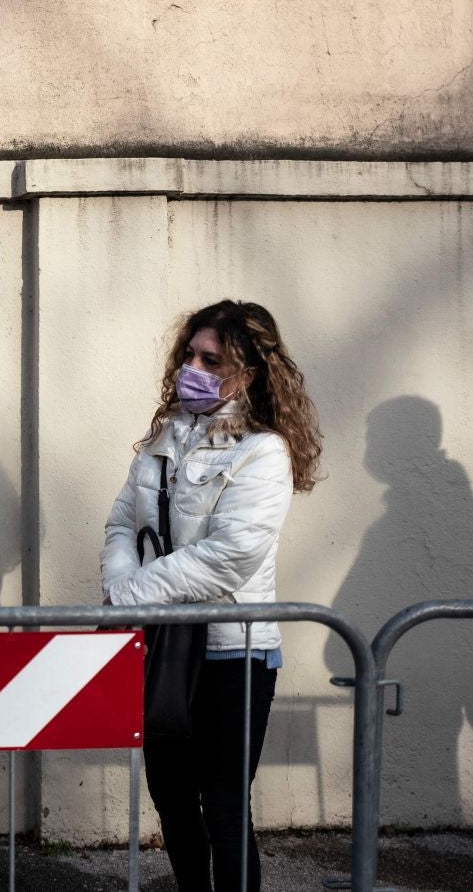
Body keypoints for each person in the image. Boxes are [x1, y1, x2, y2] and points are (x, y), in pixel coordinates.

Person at [100, 301, 321, 892]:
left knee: (223, 804)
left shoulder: (262, 451)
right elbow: (122, 523)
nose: (191, 368)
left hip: (231, 651)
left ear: (246, 373)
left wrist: (131, 598)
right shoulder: (163, 439)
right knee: (170, 797)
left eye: (210, 360)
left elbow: (230, 556)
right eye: (189, 355)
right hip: (162, 647)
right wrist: (122, 588)